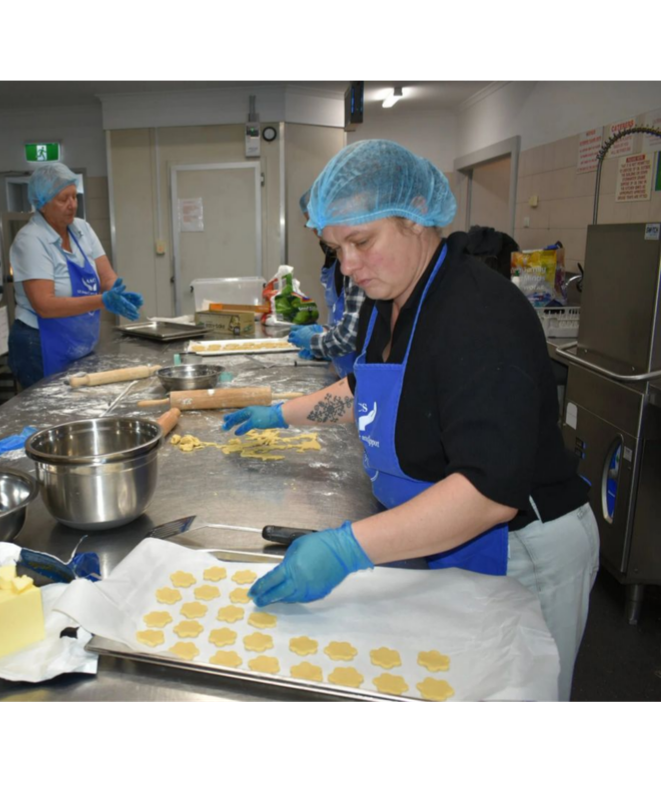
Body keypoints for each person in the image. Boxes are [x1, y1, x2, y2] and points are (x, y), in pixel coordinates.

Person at [224, 140, 598, 703]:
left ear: (417, 216)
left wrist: (348, 548)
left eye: (361, 242)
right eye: (334, 247)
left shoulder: (479, 316)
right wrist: (281, 414)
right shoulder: (390, 299)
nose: (347, 266)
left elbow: (488, 493)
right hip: (451, 539)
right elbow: (364, 386)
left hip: (526, 549)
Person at [7, 162, 143, 387]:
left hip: (75, 340)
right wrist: (102, 300)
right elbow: (45, 305)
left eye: (74, 197)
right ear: (42, 204)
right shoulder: (31, 240)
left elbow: (107, 276)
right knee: (50, 414)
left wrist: (117, 292)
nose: (72, 205)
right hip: (39, 345)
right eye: (63, 199)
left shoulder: (82, 229)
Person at [287, 189, 367, 378]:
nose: (317, 231)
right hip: (343, 367)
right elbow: (350, 317)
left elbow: (353, 333)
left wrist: (318, 343)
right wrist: (325, 333)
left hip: (359, 368)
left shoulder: (361, 263)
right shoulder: (335, 256)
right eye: (311, 224)